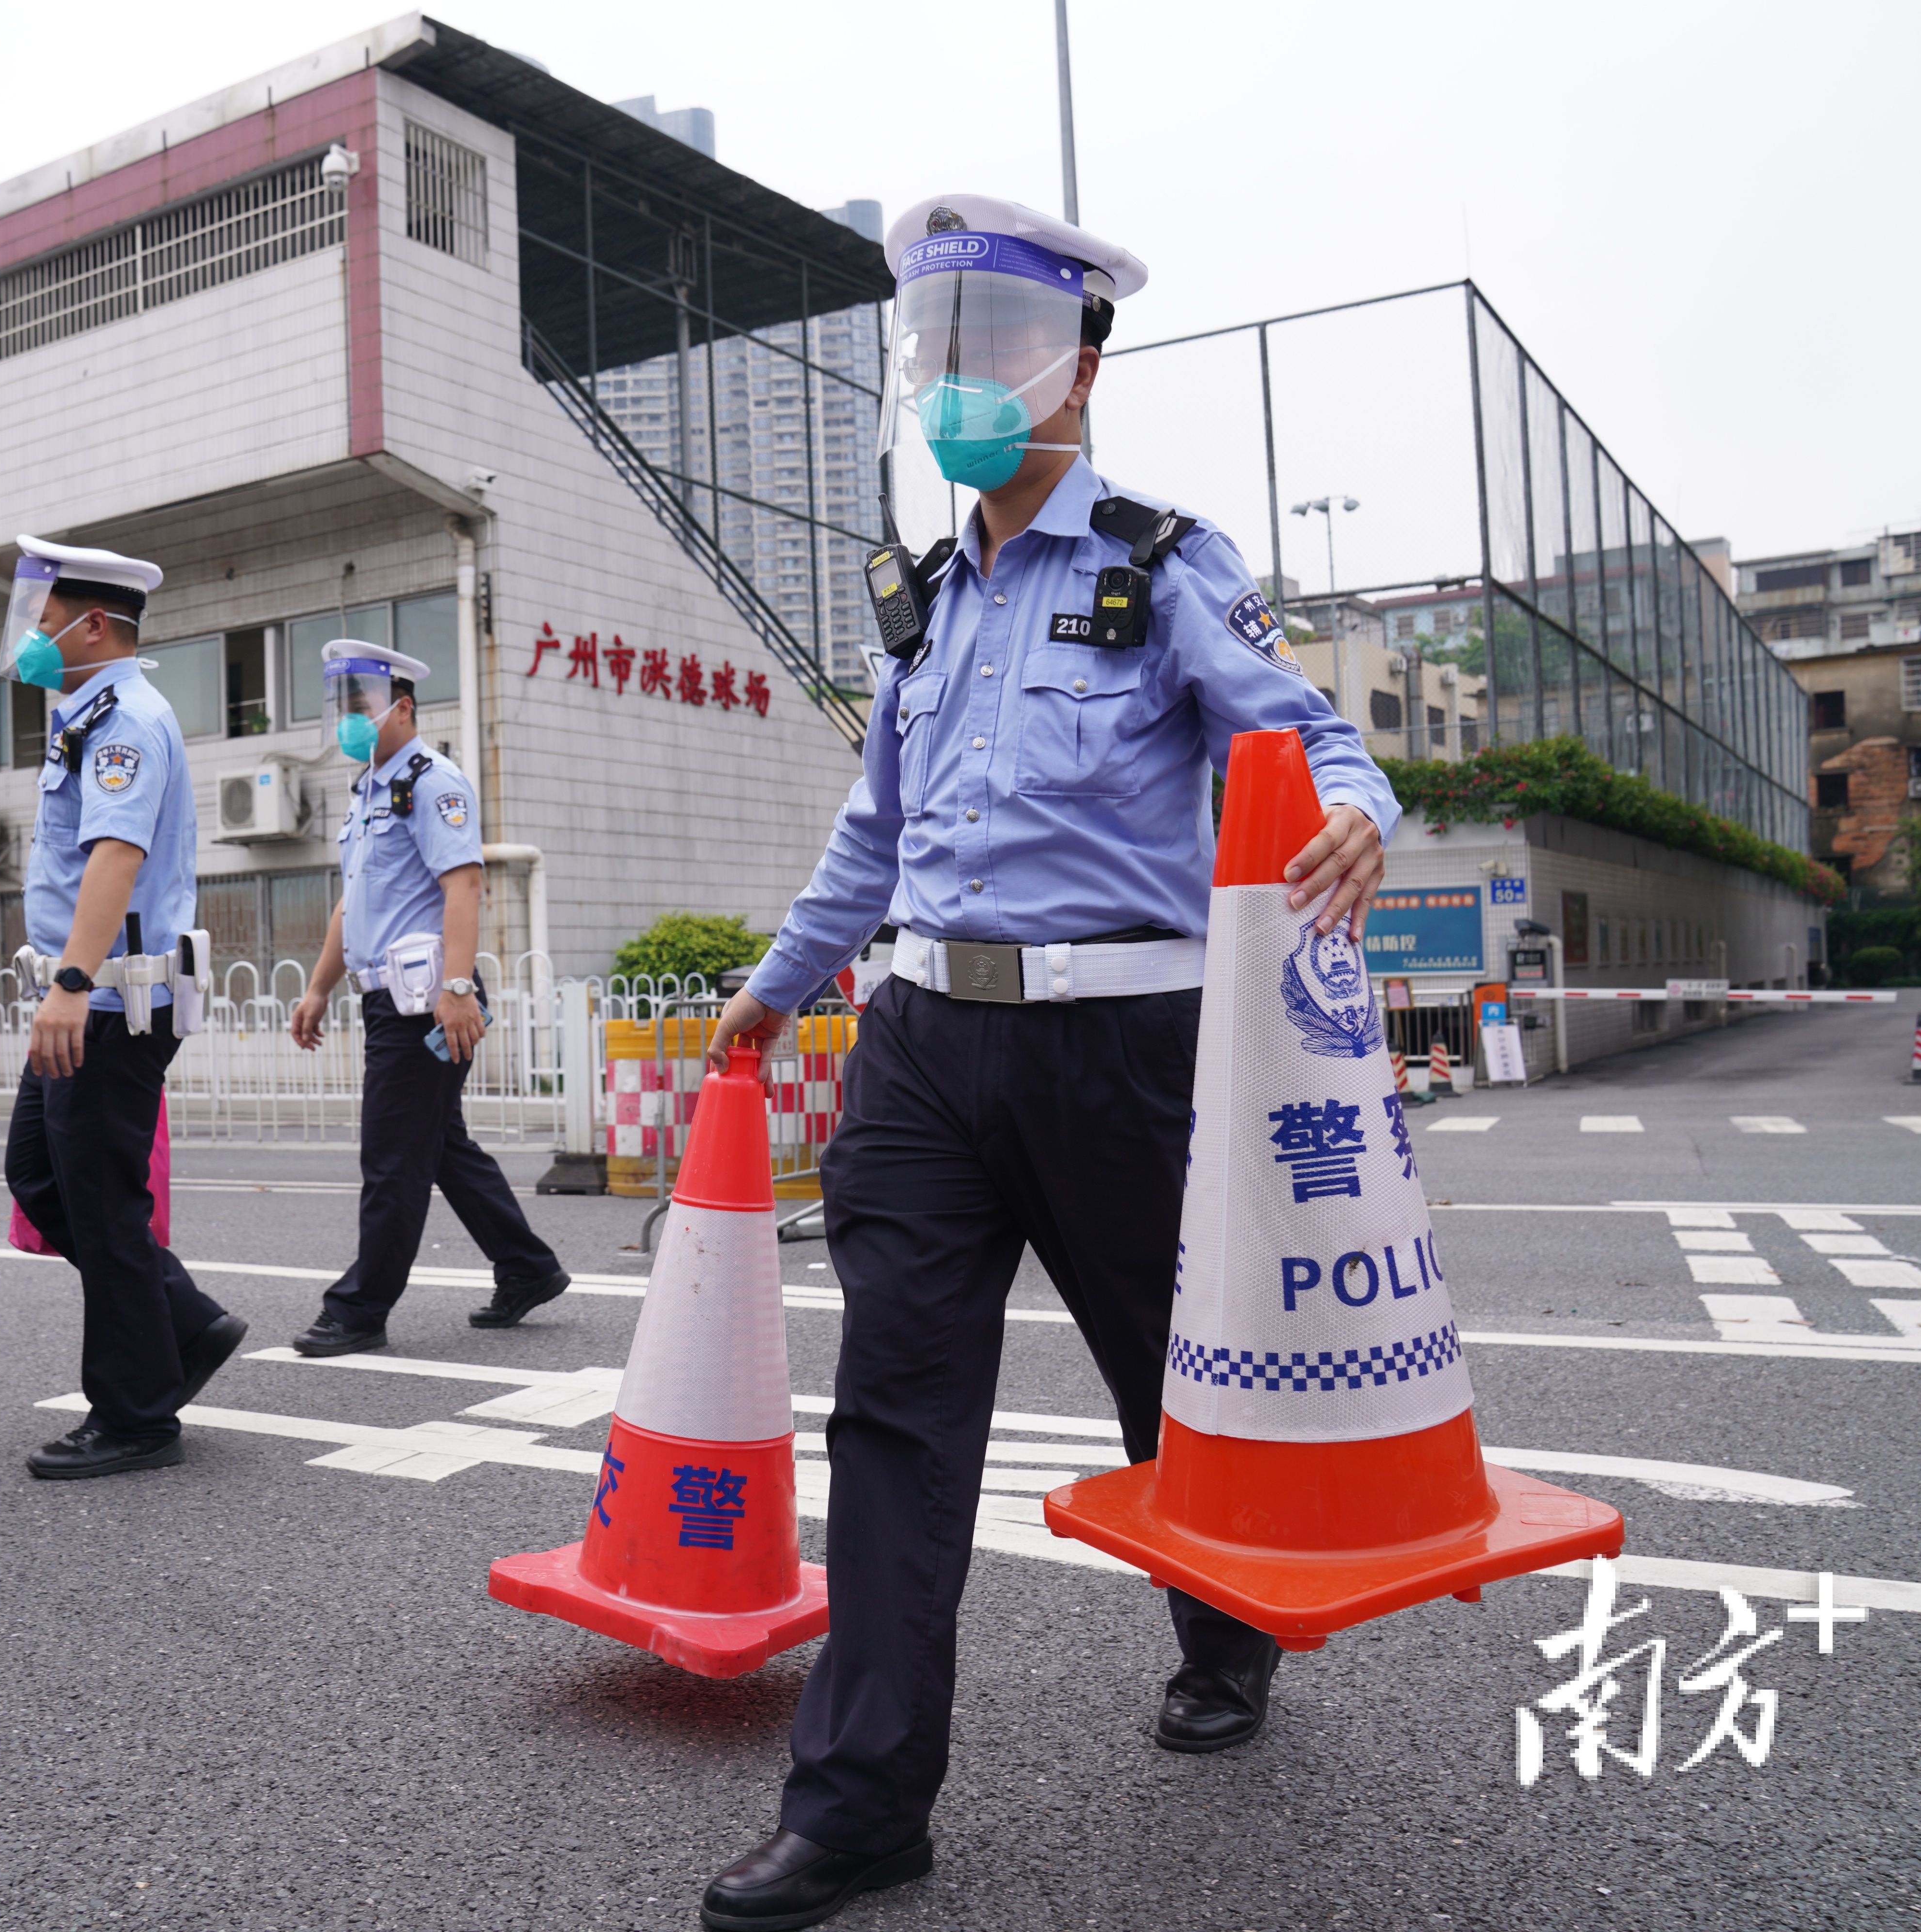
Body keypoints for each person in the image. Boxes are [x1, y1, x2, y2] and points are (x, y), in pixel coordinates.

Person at [693, 196, 1397, 1931]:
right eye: (933, 351)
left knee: (1175, 1376)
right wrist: (777, 991)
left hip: (1123, 1051)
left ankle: (1225, 1633)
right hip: (924, 1049)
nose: (957, 382)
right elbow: (874, 837)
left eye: (994, 348)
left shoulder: (1163, 566)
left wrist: (1362, 811)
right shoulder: (918, 609)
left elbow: (1300, 737)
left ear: (1079, 363)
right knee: (897, 1420)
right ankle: (860, 1806)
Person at [1, 537, 248, 1480]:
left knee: (100, 1201)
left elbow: (116, 857)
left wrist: (70, 983)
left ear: (93, 623)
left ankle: (137, 1414)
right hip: (94, 993)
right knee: (43, 1176)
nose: (32, 635)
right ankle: (182, 1321)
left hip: (112, 998)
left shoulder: (125, 721)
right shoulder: (88, 712)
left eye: (44, 616)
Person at [285, 638, 570, 1357]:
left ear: (402, 708)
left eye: (360, 708)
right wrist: (319, 987)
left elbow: (463, 886)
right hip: (387, 998)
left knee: (392, 1157)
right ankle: (528, 1268)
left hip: (425, 1004)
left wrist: (456, 986)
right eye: (340, 709)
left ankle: (360, 1309)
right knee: (438, 1146)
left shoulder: (432, 782)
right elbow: (355, 907)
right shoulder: (368, 792)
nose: (347, 722)